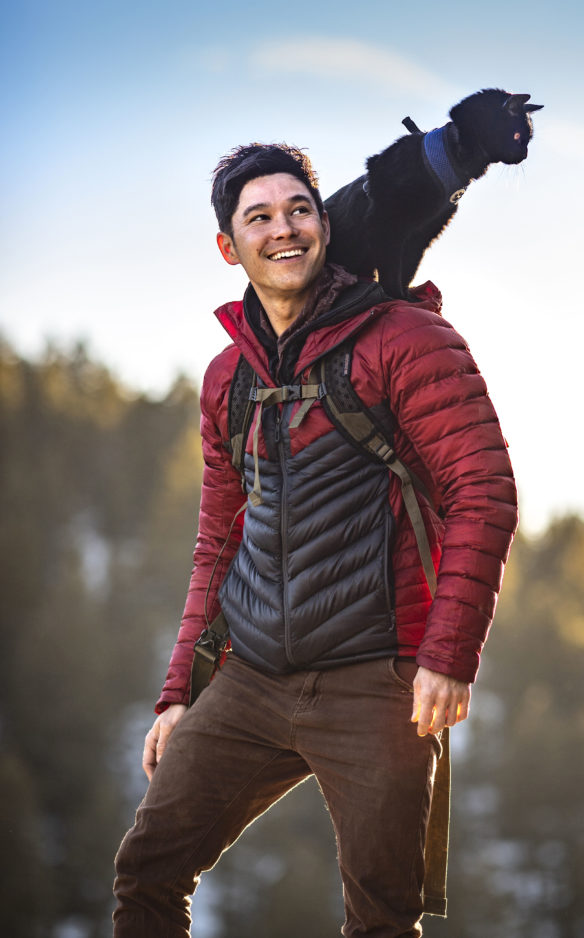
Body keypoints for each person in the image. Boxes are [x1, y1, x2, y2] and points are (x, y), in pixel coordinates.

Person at [113, 142, 518, 937]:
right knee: (147, 871)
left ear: (325, 225)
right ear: (231, 248)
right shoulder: (227, 377)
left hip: (379, 686)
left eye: (299, 209)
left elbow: (485, 494)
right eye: (258, 217)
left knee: (380, 915)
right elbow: (217, 543)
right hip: (251, 680)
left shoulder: (407, 338)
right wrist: (179, 694)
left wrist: (447, 655)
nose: (284, 229)